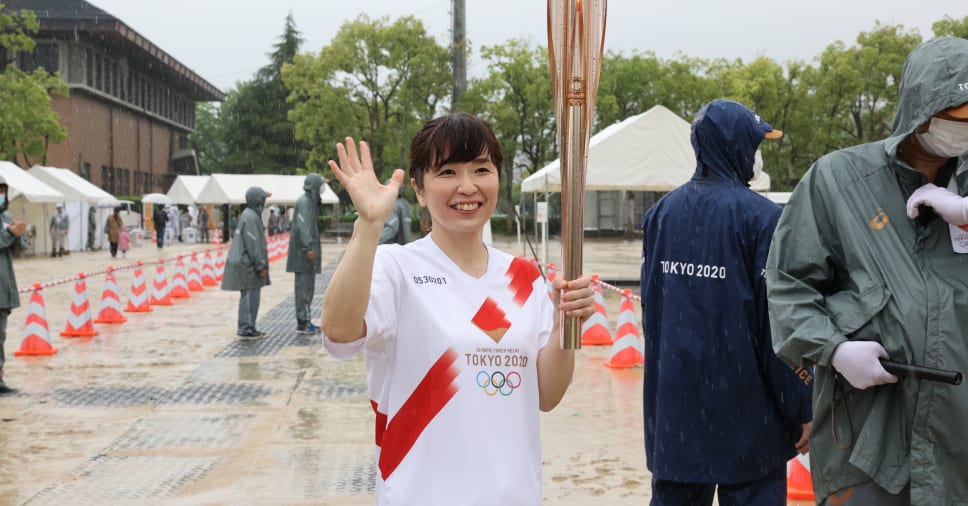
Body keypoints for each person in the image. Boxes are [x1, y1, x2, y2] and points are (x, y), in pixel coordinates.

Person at [320, 113, 596, 505]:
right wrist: (369, 224)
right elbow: (338, 331)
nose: (467, 186)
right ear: (418, 189)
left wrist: (564, 327)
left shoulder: (524, 280)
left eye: (481, 169)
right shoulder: (396, 268)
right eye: (447, 172)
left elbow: (547, 395)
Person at [766, 36, 968, 505]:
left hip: (959, 441)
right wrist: (834, 350)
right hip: (866, 441)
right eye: (955, 116)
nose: (963, 129)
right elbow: (786, 286)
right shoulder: (837, 181)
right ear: (921, 107)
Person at [639, 99, 812, 506]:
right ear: (737, 146)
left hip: (674, 416)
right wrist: (800, 404)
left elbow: (653, 313)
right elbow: (776, 325)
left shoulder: (660, 214)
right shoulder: (762, 218)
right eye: (755, 145)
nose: (756, 156)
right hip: (748, 418)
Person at [221, 187, 272, 340]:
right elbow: (253, 244)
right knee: (250, 297)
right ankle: (246, 328)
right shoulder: (251, 217)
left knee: (249, 297)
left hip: (247, 263)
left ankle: (248, 326)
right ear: (258, 200)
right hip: (248, 266)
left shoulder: (249, 215)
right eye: (263, 198)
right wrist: (261, 265)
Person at [286, 173, 324, 335]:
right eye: (321, 185)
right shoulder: (304, 203)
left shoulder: (310, 202)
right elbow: (303, 227)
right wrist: (309, 247)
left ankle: (306, 320)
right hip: (303, 256)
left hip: (307, 256)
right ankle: (303, 322)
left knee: (308, 289)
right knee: (303, 289)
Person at [0, 175, 26, 395]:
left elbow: (18, 251)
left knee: (0, 336)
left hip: (3, 289)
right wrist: (9, 233)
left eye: (2, 190)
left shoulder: (7, 216)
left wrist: (18, 235)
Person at [377, 178, 412, 245]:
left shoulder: (392, 206)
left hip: (391, 248)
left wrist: (375, 241)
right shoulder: (406, 204)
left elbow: (392, 228)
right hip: (404, 247)